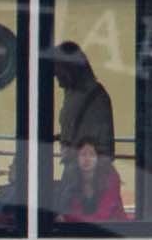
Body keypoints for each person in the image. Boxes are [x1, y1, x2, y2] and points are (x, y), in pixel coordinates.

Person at [49, 41, 115, 178]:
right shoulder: (73, 94)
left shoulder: (94, 98)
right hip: (74, 166)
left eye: (57, 71)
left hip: (86, 172)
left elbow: (96, 137)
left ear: (69, 69)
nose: (55, 76)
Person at [55, 140, 128, 224]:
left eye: (92, 155)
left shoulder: (110, 177)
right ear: (77, 159)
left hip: (115, 230)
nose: (87, 159)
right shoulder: (73, 179)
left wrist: (68, 219)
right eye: (83, 154)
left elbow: (104, 214)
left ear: (98, 158)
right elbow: (74, 212)